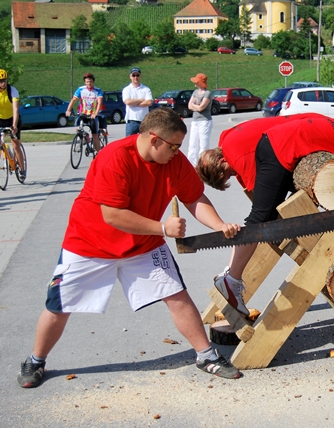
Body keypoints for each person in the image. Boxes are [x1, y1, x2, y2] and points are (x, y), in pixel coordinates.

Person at [17, 108, 242, 389]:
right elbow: (113, 215)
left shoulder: (174, 161)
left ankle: (206, 355)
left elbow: (195, 198)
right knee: (59, 306)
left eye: (179, 146)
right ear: (153, 139)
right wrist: (163, 228)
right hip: (90, 244)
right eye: (173, 146)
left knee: (176, 296)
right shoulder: (115, 158)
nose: (177, 152)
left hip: (143, 245)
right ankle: (36, 360)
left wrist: (219, 225)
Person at [196, 113, 334, 316]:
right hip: (281, 148)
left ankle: (230, 274)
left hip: (276, 144)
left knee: (279, 212)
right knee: (260, 221)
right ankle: (231, 279)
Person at [66, 73, 103, 153]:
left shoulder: (97, 91)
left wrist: (95, 114)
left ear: (93, 82)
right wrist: (68, 110)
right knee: (77, 128)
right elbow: (73, 100)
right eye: (87, 82)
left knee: (95, 135)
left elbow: (99, 103)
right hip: (83, 114)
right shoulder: (81, 90)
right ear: (85, 82)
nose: (89, 83)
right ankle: (85, 136)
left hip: (93, 115)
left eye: (90, 82)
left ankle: (99, 154)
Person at [0, 69, 26, 179]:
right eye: (0, 81)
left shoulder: (12, 91)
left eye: (4, 81)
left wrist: (14, 125)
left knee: (15, 145)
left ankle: (22, 169)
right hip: (1, 119)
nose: (3, 83)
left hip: (12, 119)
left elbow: (15, 110)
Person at [187, 73, 213, 166]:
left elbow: (201, 108)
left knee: (203, 145)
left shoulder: (207, 93)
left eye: (196, 82)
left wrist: (195, 106)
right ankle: (191, 164)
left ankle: (203, 164)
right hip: (195, 121)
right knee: (192, 144)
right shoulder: (195, 92)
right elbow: (189, 106)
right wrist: (196, 106)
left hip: (204, 121)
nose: (195, 84)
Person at [123, 67, 153, 136]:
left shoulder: (146, 89)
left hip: (144, 121)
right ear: (130, 76)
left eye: (137, 75)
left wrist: (134, 103)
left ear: (140, 76)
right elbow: (128, 102)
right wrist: (141, 100)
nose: (135, 77)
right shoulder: (127, 89)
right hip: (131, 120)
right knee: (129, 142)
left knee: (145, 142)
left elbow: (149, 102)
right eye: (133, 75)